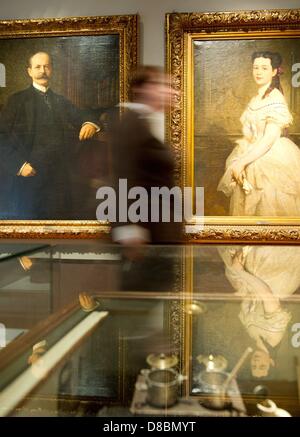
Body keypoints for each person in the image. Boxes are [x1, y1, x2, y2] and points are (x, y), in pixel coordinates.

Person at [0, 51, 100, 219]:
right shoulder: (16, 100)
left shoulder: (60, 100)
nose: (43, 70)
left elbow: (81, 115)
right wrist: (19, 165)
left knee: (59, 222)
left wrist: (89, 123)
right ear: (29, 71)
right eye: (37, 67)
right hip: (28, 176)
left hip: (58, 177)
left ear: (52, 70)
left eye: (46, 66)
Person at [218, 51, 300, 216]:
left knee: (268, 207)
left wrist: (242, 162)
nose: (258, 72)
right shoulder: (257, 98)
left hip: (271, 158)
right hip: (252, 152)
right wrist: (240, 158)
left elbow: (269, 139)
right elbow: (250, 133)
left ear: (274, 71)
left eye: (264, 68)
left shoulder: (275, 99)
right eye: (256, 67)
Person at [218, 245, 300, 378]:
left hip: (254, 284)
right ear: (271, 362)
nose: (256, 362)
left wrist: (242, 284)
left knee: (233, 259)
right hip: (274, 280)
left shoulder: (253, 337)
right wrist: (240, 272)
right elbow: (267, 294)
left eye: (253, 365)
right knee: (260, 252)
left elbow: (249, 300)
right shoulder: (274, 336)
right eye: (262, 366)